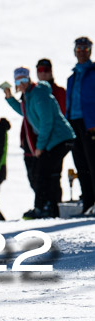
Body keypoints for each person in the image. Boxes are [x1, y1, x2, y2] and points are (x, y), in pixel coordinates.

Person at [5, 67, 76, 218]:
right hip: (55, 140)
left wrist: (39, 147)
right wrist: (10, 98)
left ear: (29, 79)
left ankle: (41, 208)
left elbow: (46, 123)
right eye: (19, 81)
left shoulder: (38, 94)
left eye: (24, 80)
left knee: (42, 171)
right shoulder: (29, 96)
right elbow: (25, 112)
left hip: (61, 138)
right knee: (48, 173)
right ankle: (51, 208)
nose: (22, 83)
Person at [66, 37, 95, 215]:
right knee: (81, 164)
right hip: (74, 123)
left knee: (93, 163)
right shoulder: (72, 77)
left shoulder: (93, 72)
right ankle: (88, 203)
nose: (82, 52)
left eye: (85, 49)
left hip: (90, 123)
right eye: (79, 49)